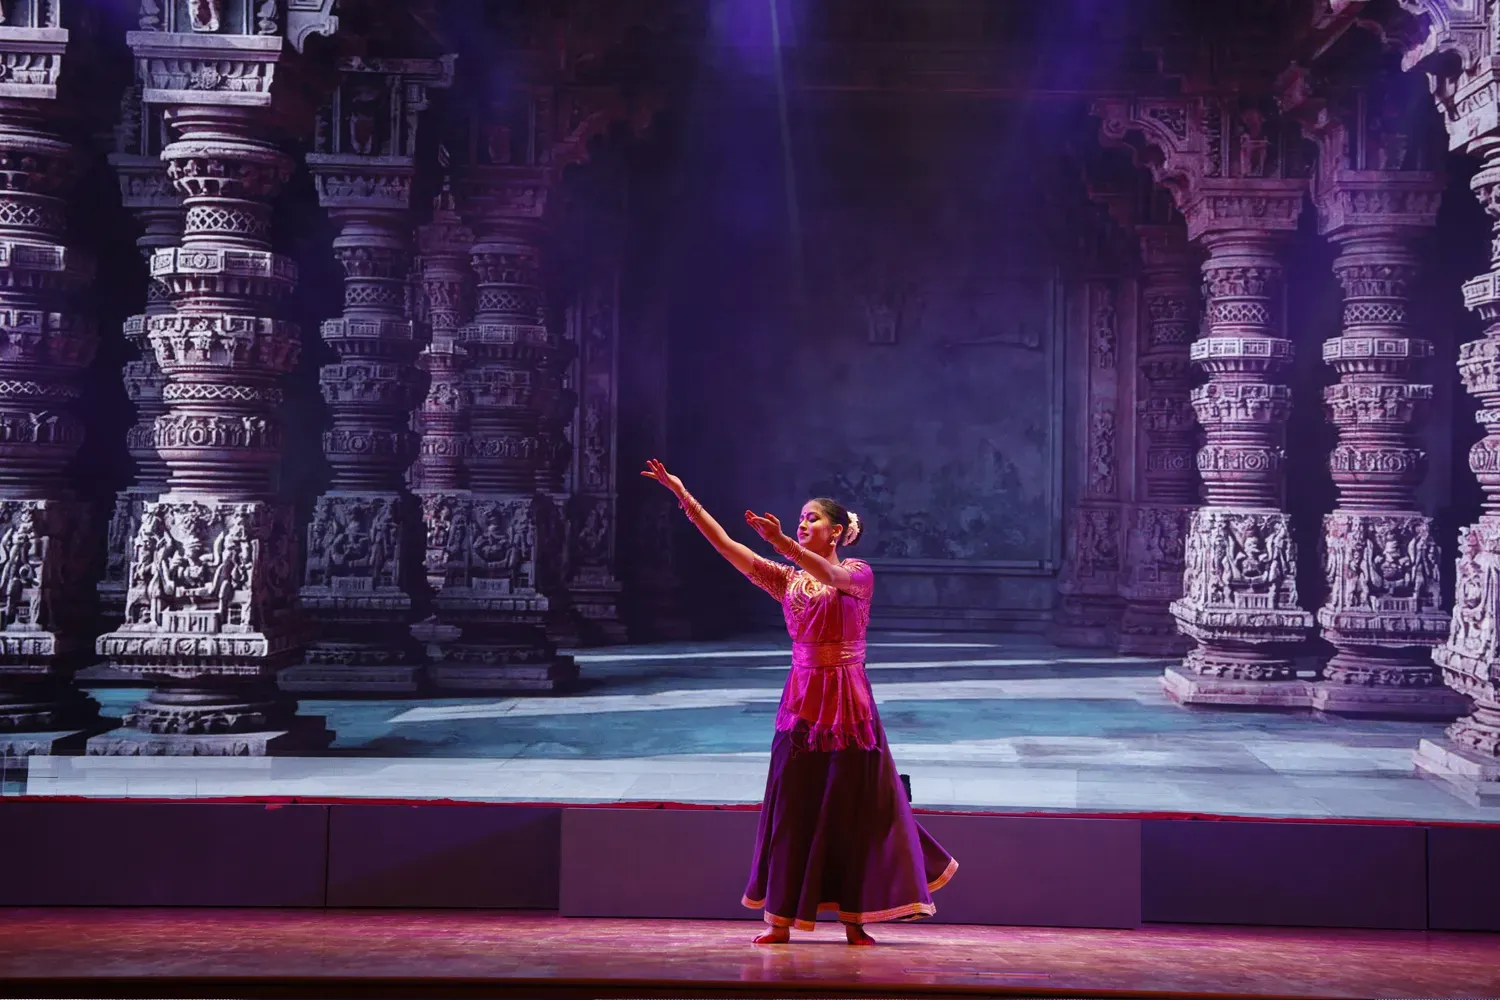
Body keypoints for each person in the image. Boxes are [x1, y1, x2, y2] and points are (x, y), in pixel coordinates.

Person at [641, 459, 957, 946]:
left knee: (852, 809)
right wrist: (684, 496)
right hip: (802, 703)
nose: (803, 522)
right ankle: (781, 919)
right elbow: (728, 547)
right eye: (801, 517)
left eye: (813, 518)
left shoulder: (857, 573)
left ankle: (855, 918)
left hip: (849, 705)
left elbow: (827, 573)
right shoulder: (788, 580)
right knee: (792, 806)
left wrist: (782, 543)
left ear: (837, 531)